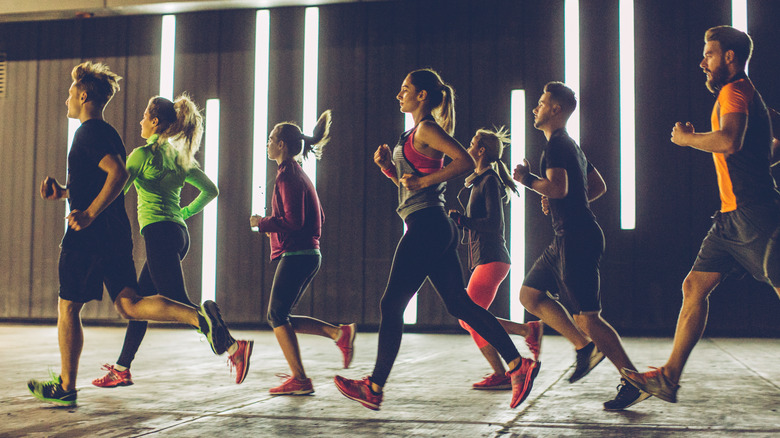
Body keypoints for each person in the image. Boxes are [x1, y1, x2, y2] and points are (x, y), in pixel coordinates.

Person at [28, 62, 236, 406]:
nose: (66, 100)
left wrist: (90, 213)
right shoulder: (110, 134)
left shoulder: (89, 132)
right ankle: (198, 318)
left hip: (92, 235)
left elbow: (117, 174)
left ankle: (66, 386)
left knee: (68, 306)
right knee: (130, 304)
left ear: (83, 96)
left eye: (69, 95)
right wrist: (65, 192)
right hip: (119, 234)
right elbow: (104, 181)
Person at [334, 69, 537, 411]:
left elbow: (465, 161)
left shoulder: (427, 128)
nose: (399, 95)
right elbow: (411, 182)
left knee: (390, 305)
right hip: (433, 224)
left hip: (428, 224)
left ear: (422, 95)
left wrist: (425, 183)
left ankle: (374, 386)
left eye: (405, 89)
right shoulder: (411, 133)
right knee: (459, 305)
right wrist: (389, 169)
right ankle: (518, 364)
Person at [622, 25, 780, 404]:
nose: (702, 62)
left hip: (754, 215)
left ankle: (669, 377)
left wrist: (687, 139)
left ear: (730, 57)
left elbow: (729, 141)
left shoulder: (735, 90)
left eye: (709, 55)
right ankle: (668, 378)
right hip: (729, 219)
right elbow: (760, 153)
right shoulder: (741, 94)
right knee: (693, 286)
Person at [91, 94, 252, 388]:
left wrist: (85, 206)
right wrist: (185, 212)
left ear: (154, 122)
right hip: (178, 233)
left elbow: (116, 191)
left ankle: (232, 347)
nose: (140, 121)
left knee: (178, 304)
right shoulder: (180, 157)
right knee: (139, 303)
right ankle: (121, 368)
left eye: (144, 116)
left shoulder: (141, 156)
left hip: (158, 234)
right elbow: (211, 190)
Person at [514, 81, 650, 410]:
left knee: (588, 318)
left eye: (542, 103)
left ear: (556, 109)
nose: (536, 108)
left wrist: (528, 180)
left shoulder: (557, 145)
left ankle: (633, 381)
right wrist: (560, 195)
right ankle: (583, 347)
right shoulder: (570, 145)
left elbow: (558, 188)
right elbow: (596, 185)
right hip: (566, 236)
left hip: (576, 238)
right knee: (529, 296)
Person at [250, 110, 357, 396]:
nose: (267, 143)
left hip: (298, 253)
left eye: (271, 139)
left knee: (275, 314)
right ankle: (338, 334)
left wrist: (261, 223)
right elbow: (319, 215)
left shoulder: (287, 177)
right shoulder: (298, 174)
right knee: (281, 315)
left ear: (282, 145)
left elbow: (293, 221)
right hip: (308, 253)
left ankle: (300, 378)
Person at [449, 127, 543, 390]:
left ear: (480, 151)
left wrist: (463, 220)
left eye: (471, 143)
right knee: (469, 317)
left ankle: (504, 371)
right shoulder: (480, 180)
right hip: (486, 259)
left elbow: (494, 224)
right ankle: (527, 332)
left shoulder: (490, 180)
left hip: (492, 258)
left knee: (470, 318)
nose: (467, 147)